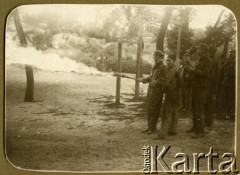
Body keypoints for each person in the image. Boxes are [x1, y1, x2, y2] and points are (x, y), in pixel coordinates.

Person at [186, 43, 213, 138]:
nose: (198, 51)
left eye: (200, 50)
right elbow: (196, 73)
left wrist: (193, 70)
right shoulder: (200, 60)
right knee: (194, 108)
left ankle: (200, 131)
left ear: (204, 51)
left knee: (199, 109)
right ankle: (195, 127)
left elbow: (205, 73)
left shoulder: (209, 61)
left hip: (202, 88)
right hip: (196, 87)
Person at [138, 50, 166, 135]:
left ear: (160, 57)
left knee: (154, 109)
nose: (154, 57)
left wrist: (155, 82)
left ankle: (152, 128)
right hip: (152, 90)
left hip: (158, 91)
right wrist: (144, 79)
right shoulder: (155, 66)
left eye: (155, 56)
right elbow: (152, 76)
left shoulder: (163, 67)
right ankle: (149, 127)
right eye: (154, 56)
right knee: (150, 109)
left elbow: (165, 79)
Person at [155, 53, 181, 140]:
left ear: (173, 61)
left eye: (169, 60)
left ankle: (162, 134)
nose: (167, 62)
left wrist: (163, 90)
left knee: (166, 113)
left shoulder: (171, 70)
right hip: (176, 93)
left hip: (170, 94)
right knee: (174, 112)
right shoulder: (177, 69)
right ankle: (173, 130)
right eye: (167, 60)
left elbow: (166, 82)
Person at [205, 45, 218, 127]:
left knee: (208, 102)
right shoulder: (213, 61)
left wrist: (214, 87)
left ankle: (209, 120)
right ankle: (208, 120)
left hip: (210, 84)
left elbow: (215, 75)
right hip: (209, 84)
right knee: (207, 103)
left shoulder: (213, 61)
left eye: (210, 52)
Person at [221, 50, 236, 120]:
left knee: (231, 98)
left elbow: (233, 73)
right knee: (224, 98)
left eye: (232, 54)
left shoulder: (236, 63)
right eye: (230, 54)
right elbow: (223, 69)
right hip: (225, 82)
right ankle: (224, 113)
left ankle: (231, 114)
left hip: (232, 83)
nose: (230, 55)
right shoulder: (227, 62)